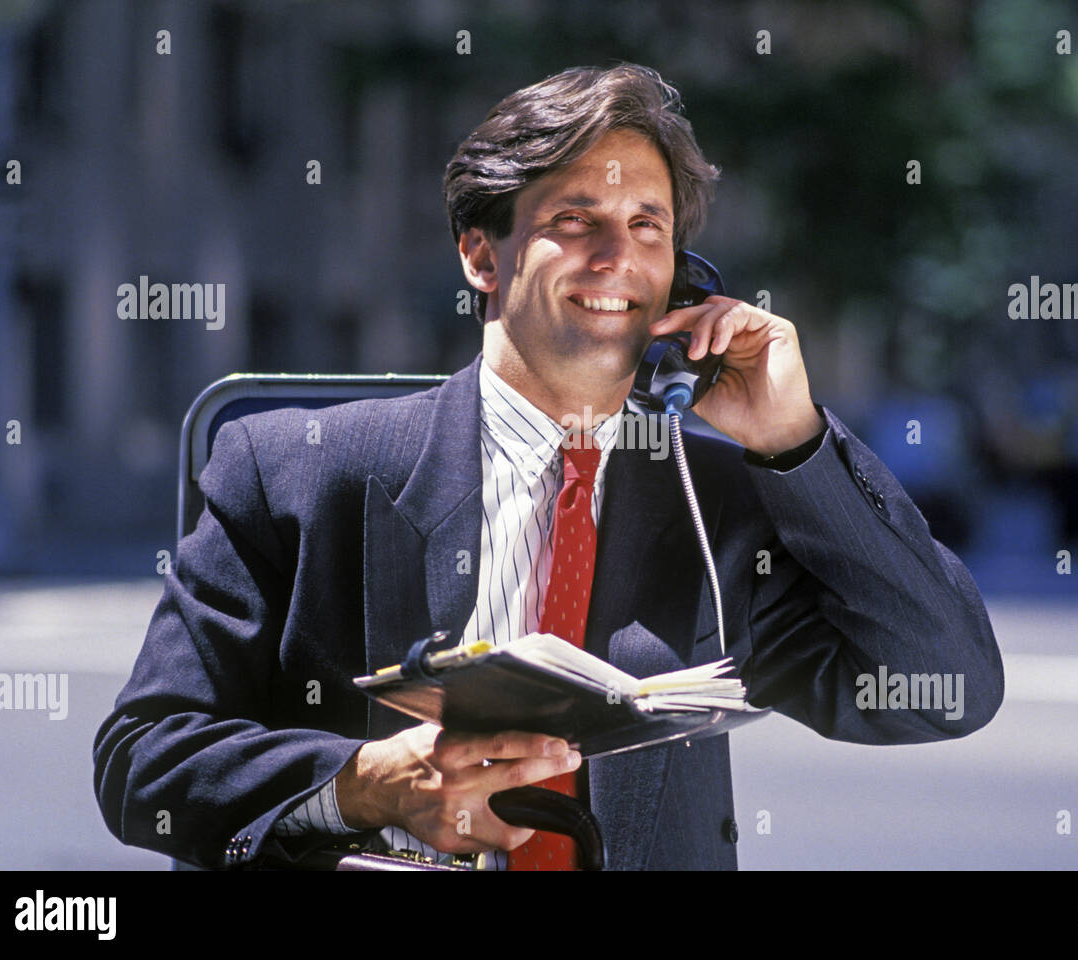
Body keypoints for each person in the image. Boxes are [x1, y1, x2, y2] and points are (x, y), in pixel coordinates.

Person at [93, 63, 1003, 871]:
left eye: (649, 226)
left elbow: (947, 692)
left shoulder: (718, 503)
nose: (619, 259)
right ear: (480, 254)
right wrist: (360, 784)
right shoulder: (293, 470)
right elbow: (143, 759)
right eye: (578, 220)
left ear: (684, 277)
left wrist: (796, 442)